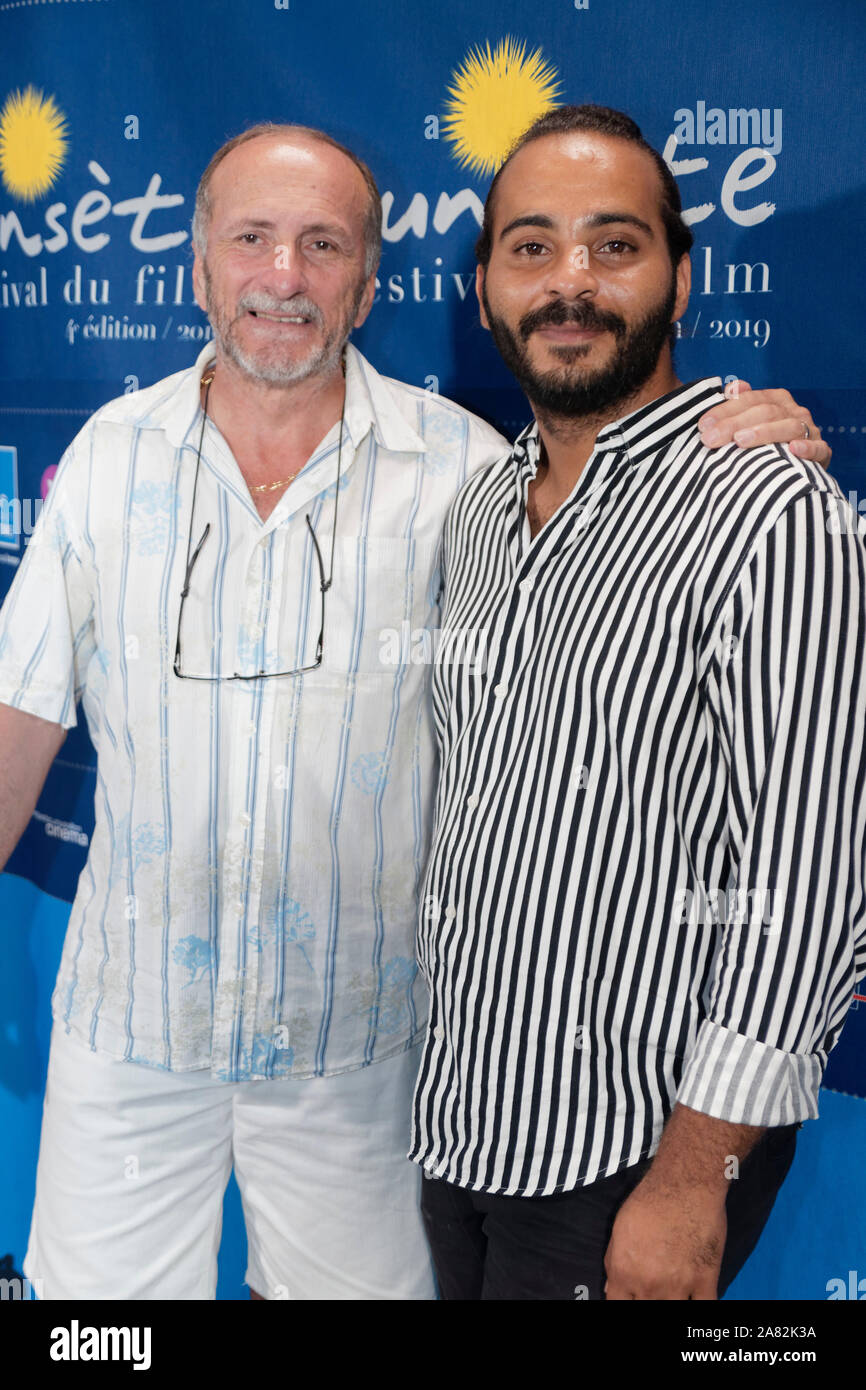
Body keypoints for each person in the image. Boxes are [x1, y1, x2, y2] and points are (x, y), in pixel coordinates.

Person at [0, 120, 830, 1302]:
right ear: (197, 265)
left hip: (364, 1069)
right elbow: (13, 731)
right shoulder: (99, 460)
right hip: (127, 1044)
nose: (282, 277)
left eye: (322, 244)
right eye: (251, 239)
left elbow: (795, 866)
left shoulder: (464, 474)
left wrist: (751, 430)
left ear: (369, 281)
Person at [409, 104, 866, 1301]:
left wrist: (692, 1176)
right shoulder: (477, 509)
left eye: (613, 245)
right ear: (485, 284)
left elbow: (810, 880)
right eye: (531, 247)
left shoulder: (768, 511)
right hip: (459, 1128)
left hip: (626, 1159)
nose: (570, 283)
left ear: (680, 275)